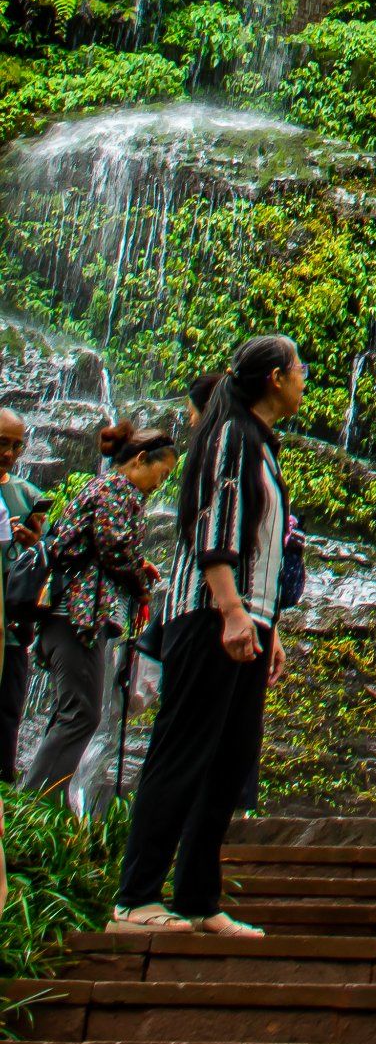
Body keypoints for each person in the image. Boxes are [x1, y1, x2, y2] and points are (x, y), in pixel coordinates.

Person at [106, 336, 303, 938]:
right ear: (274, 377)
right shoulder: (230, 437)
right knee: (184, 750)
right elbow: (215, 530)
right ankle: (135, 898)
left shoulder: (259, 442)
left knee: (230, 758)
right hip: (208, 619)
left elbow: (263, 546)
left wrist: (266, 626)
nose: (303, 381)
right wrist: (234, 612)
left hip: (245, 621)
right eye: (299, 371)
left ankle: (196, 898)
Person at [24, 419, 175, 802]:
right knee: (82, 715)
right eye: (162, 472)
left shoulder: (109, 490)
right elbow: (113, 550)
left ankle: (42, 804)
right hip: (77, 617)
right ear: (141, 459)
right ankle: (35, 804)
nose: (161, 483)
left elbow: (104, 547)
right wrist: (140, 587)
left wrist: (139, 566)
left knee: (71, 712)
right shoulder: (117, 489)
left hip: (71, 617)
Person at [0, 411, 48, 782]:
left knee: (7, 710)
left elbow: (46, 560)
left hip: (12, 627)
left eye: (17, 445)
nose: (10, 453)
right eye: (3, 442)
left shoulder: (27, 494)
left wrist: (33, 545)